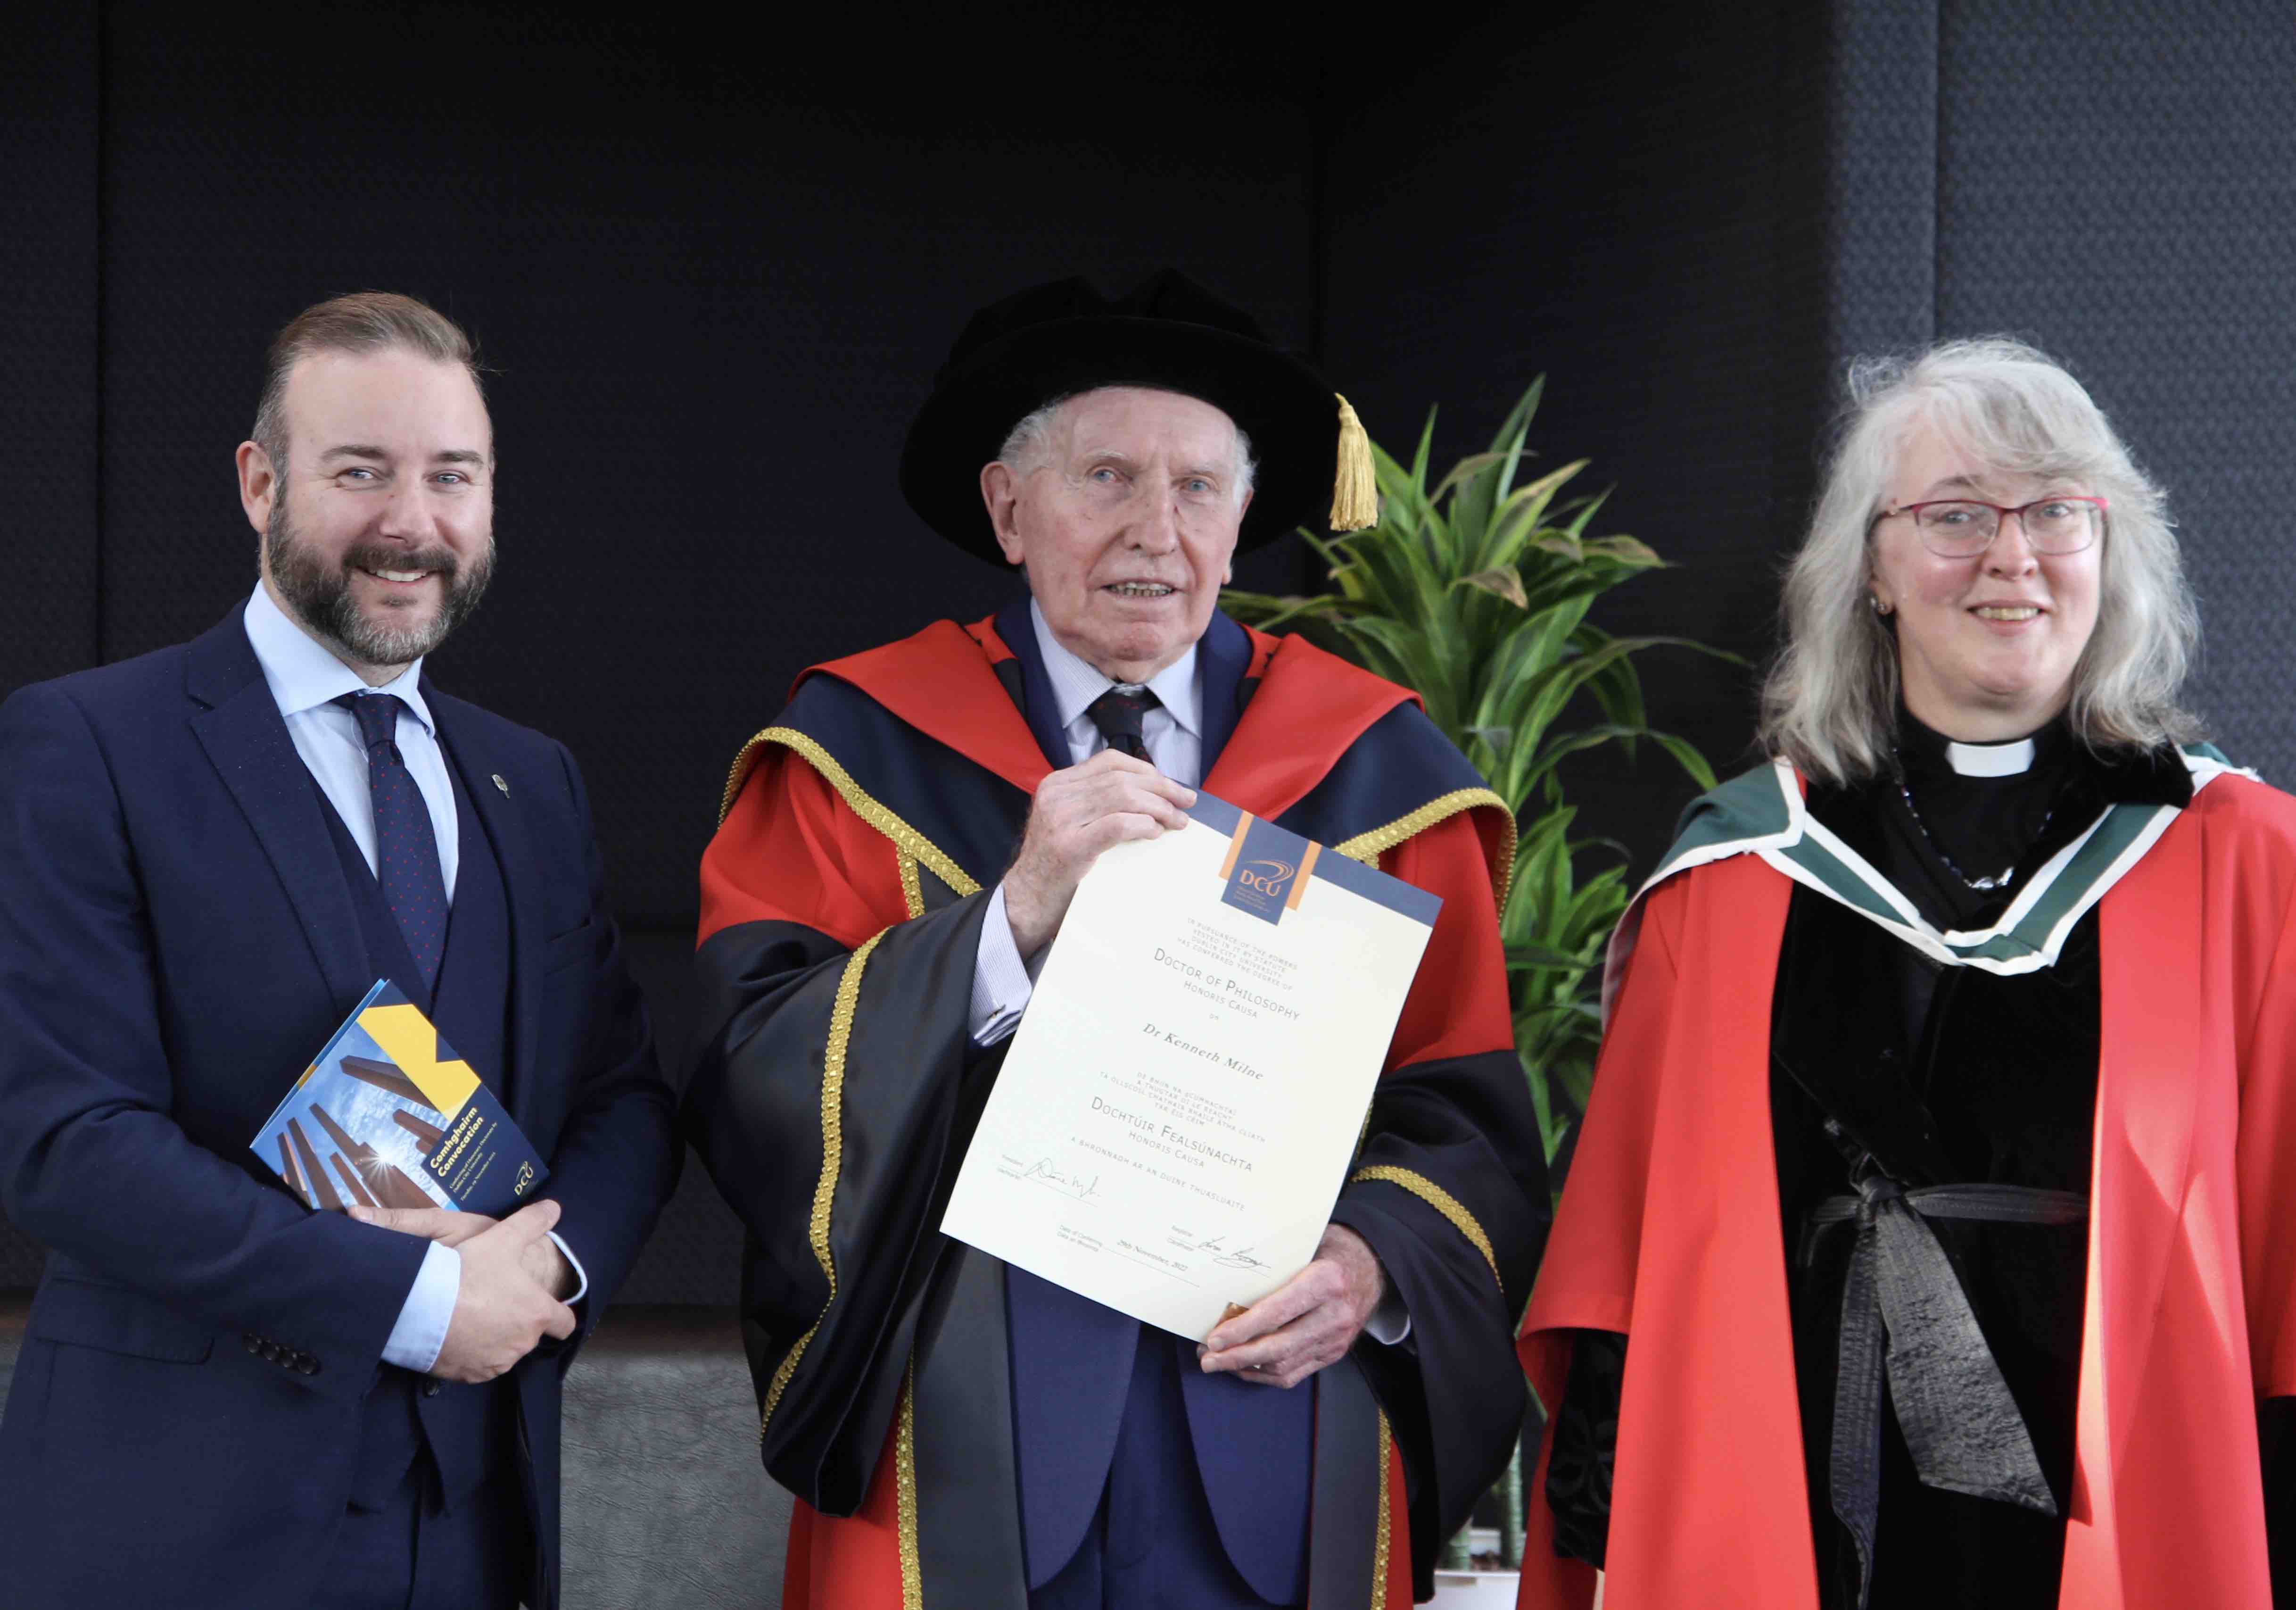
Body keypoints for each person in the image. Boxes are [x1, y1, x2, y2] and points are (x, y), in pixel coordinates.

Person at [685, 270, 1548, 1609]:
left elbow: (1471, 1126)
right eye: (1106, 477)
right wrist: (1010, 918)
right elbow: (749, 1076)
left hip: (1281, 1439)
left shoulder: (1378, 778)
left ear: (1245, 515)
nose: (1158, 530)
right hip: (955, 1438)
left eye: (1200, 487)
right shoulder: (860, 753)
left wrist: (1372, 1261)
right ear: (1007, 510)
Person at [1514, 339, 2296, 1609]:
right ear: (1871, 568)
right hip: (1808, 1476)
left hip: (2128, 1483)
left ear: (2111, 554)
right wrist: (1610, 1477)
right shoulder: (1736, 875)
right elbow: (1632, 1244)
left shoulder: (2246, 866)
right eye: (1954, 516)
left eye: (2057, 512)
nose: (2012, 556)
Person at [0, 291, 680, 1610]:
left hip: (477, 1525)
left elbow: (626, 1105)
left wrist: (542, 1270)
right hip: (173, 1533)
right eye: (359, 472)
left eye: (452, 477)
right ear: (261, 483)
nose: (410, 525)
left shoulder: (529, 783)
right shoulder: (89, 744)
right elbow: (63, 1139)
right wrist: (417, 1300)